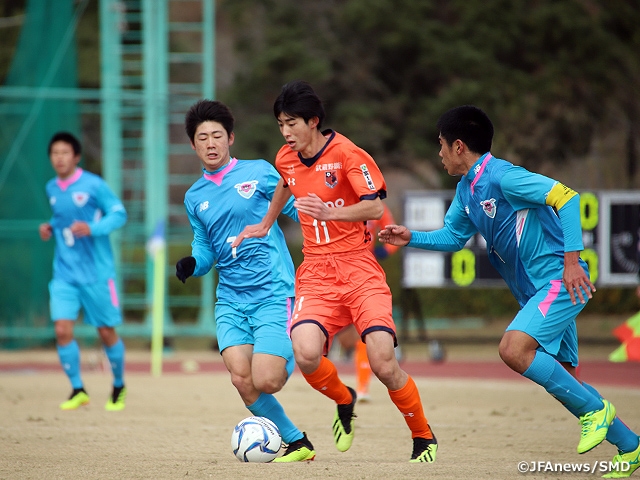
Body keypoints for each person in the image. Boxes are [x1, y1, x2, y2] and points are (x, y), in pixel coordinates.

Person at [379, 105, 640, 478]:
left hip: (558, 281)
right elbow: (454, 237)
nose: (437, 154)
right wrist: (411, 237)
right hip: (538, 292)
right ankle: (631, 447)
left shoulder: (503, 177)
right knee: (568, 378)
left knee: (513, 349)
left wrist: (570, 262)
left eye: (439, 145)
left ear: (458, 146)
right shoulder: (466, 189)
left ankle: (597, 413)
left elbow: (566, 197)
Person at [233, 80, 438, 463]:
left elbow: (375, 209)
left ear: (313, 121)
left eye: (291, 123)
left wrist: (332, 212)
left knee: (382, 361)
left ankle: (422, 435)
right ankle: (345, 400)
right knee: (306, 353)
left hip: (360, 268)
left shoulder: (348, 154)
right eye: (280, 124)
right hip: (316, 272)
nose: (285, 132)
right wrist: (265, 222)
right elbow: (285, 181)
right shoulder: (286, 157)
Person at [175, 99, 315, 463]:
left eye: (217, 135)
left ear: (230, 138)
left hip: (272, 292)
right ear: (193, 145)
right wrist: (193, 263)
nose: (210, 143)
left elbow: (295, 209)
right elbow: (205, 248)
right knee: (242, 379)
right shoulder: (194, 197)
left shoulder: (260, 172)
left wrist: (329, 222)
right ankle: (296, 441)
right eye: (202, 137)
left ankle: (301, 344)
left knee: (266, 379)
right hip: (231, 300)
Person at [39, 132, 128, 411]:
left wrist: (93, 228)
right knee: (62, 329)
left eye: (65, 152)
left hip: (97, 274)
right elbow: (62, 217)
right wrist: (51, 227)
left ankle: (118, 385)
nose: (59, 158)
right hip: (65, 274)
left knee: (105, 331)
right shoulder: (51, 187)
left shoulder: (93, 185)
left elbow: (119, 214)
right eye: (55, 153)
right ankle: (78, 389)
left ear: (76, 157)